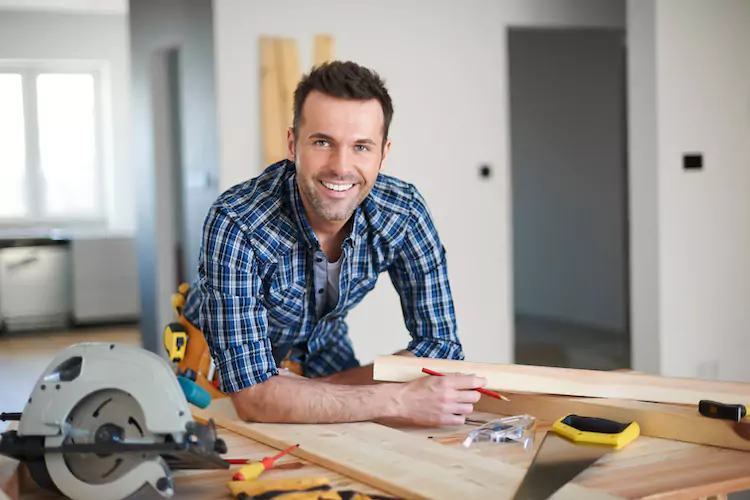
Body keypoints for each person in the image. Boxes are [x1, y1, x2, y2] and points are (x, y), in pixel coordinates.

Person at [182, 60, 487, 425]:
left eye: (361, 147)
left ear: (383, 154)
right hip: (214, 355)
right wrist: (396, 399)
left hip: (321, 345)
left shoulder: (402, 212)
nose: (341, 167)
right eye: (323, 142)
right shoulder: (237, 221)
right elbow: (252, 398)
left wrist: (308, 393)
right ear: (293, 144)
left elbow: (441, 350)